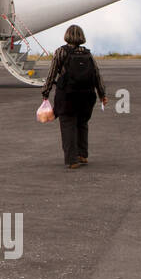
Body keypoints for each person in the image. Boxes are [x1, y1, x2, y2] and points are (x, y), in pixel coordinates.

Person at [41, 24, 106, 170]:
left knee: (68, 125)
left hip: (67, 96)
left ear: (67, 36)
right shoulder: (87, 54)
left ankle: (72, 159)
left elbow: (52, 73)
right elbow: (96, 74)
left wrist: (45, 92)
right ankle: (83, 154)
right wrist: (102, 94)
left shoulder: (61, 52)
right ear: (82, 37)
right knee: (82, 123)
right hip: (87, 95)